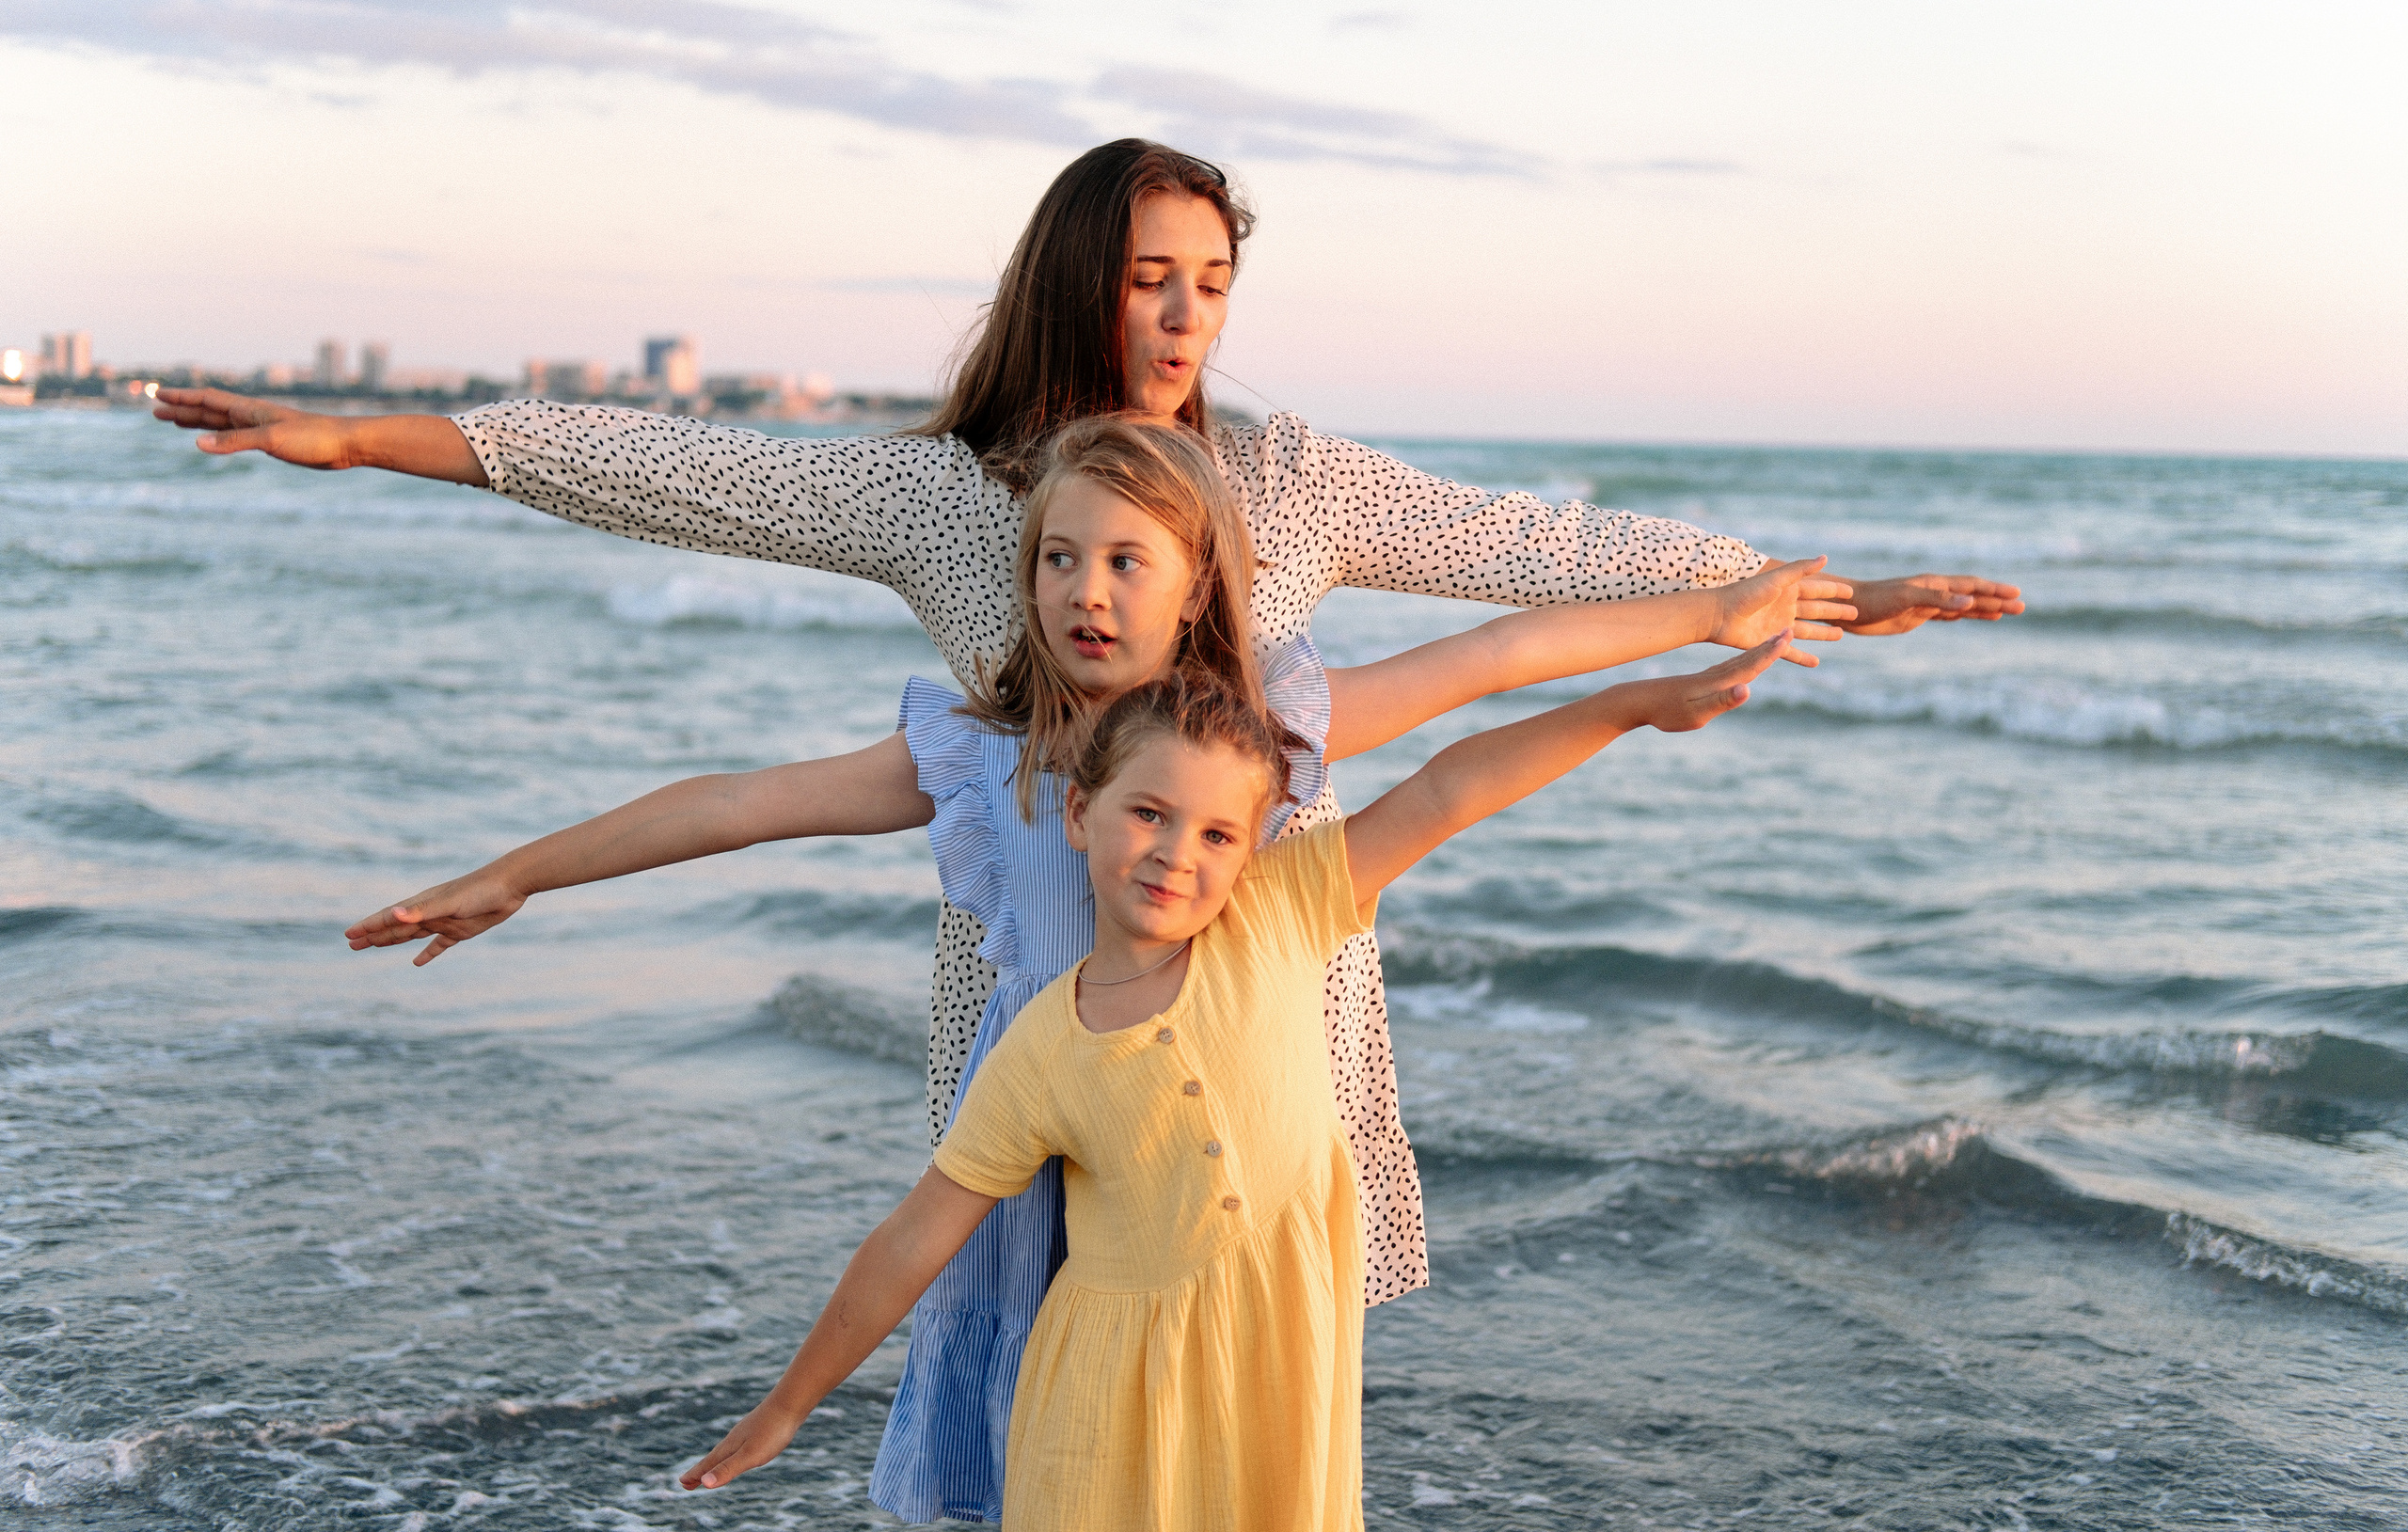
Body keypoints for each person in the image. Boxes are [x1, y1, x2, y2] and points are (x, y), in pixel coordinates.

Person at [154, 139, 2019, 1337]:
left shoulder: (1286, 479)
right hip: (1038, 1008)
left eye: (1211, 280)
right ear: (1076, 277)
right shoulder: (950, 500)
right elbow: (674, 471)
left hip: (1271, 987)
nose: (1184, 314)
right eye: (1148, 275)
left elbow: (1533, 558)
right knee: (1047, 1369)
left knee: (1252, 1362)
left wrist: (1782, 584)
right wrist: (364, 436)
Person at [347, 415, 1839, 1522]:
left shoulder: (1254, 752)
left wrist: (1705, 629)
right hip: (1042, 1197)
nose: (1086, 587)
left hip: (1215, 1229)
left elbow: (1490, 679)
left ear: (1194, 587)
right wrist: (520, 873)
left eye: (1126, 558)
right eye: (1060, 556)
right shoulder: (986, 760)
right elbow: (743, 802)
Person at [670, 635, 1789, 1527]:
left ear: (1253, 850)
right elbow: (919, 1235)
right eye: (1147, 814)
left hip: (1276, 1366)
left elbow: (1452, 785)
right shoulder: (1039, 1051)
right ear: (1080, 813)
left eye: (1216, 832)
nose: (1176, 855)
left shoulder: (1282, 914)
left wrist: (1633, 706)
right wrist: (787, 1406)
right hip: (1107, 1405)